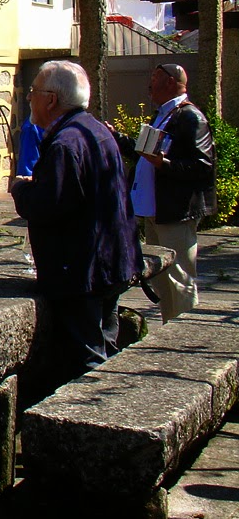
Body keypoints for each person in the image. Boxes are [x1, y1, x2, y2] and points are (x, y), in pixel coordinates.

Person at [11, 61, 139, 386]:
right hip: (109, 263)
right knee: (105, 349)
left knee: (85, 364)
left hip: (82, 272)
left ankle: (94, 415)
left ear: (51, 99)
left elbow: (47, 205)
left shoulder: (66, 143)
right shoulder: (94, 130)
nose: (30, 99)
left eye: (34, 92)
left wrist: (22, 188)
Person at [114, 62, 216, 322]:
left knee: (178, 278)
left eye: (155, 77)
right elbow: (144, 154)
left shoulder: (191, 117)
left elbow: (203, 165)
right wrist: (117, 138)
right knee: (161, 278)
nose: (150, 83)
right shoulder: (163, 115)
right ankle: (170, 323)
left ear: (171, 81)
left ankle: (183, 332)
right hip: (154, 211)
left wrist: (165, 164)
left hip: (175, 213)